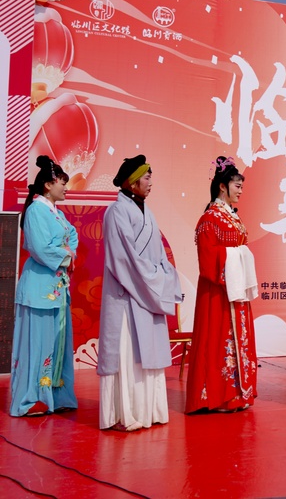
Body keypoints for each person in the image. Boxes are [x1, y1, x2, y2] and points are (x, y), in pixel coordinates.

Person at [97, 155, 183, 431]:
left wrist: (164, 276)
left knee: (148, 352)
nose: (150, 183)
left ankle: (150, 411)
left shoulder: (148, 213)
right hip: (127, 294)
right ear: (132, 183)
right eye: (146, 178)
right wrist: (155, 282)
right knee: (127, 354)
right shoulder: (116, 212)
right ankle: (125, 414)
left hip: (147, 288)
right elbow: (124, 260)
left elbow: (159, 255)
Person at [185, 157, 258, 413]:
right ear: (222, 186)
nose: (240, 191)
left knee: (237, 341)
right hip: (217, 293)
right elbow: (207, 261)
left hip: (235, 292)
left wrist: (240, 255)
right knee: (217, 342)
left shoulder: (232, 217)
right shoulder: (209, 218)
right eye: (237, 186)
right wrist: (237, 256)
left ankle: (237, 395)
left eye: (241, 186)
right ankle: (216, 397)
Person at [10, 156, 78, 417]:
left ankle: (55, 396)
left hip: (56, 287)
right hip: (39, 287)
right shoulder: (36, 210)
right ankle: (30, 399)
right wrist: (66, 254)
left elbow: (72, 235)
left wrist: (68, 252)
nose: (65, 187)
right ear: (48, 185)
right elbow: (39, 248)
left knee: (56, 345)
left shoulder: (57, 213)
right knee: (37, 345)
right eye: (62, 182)